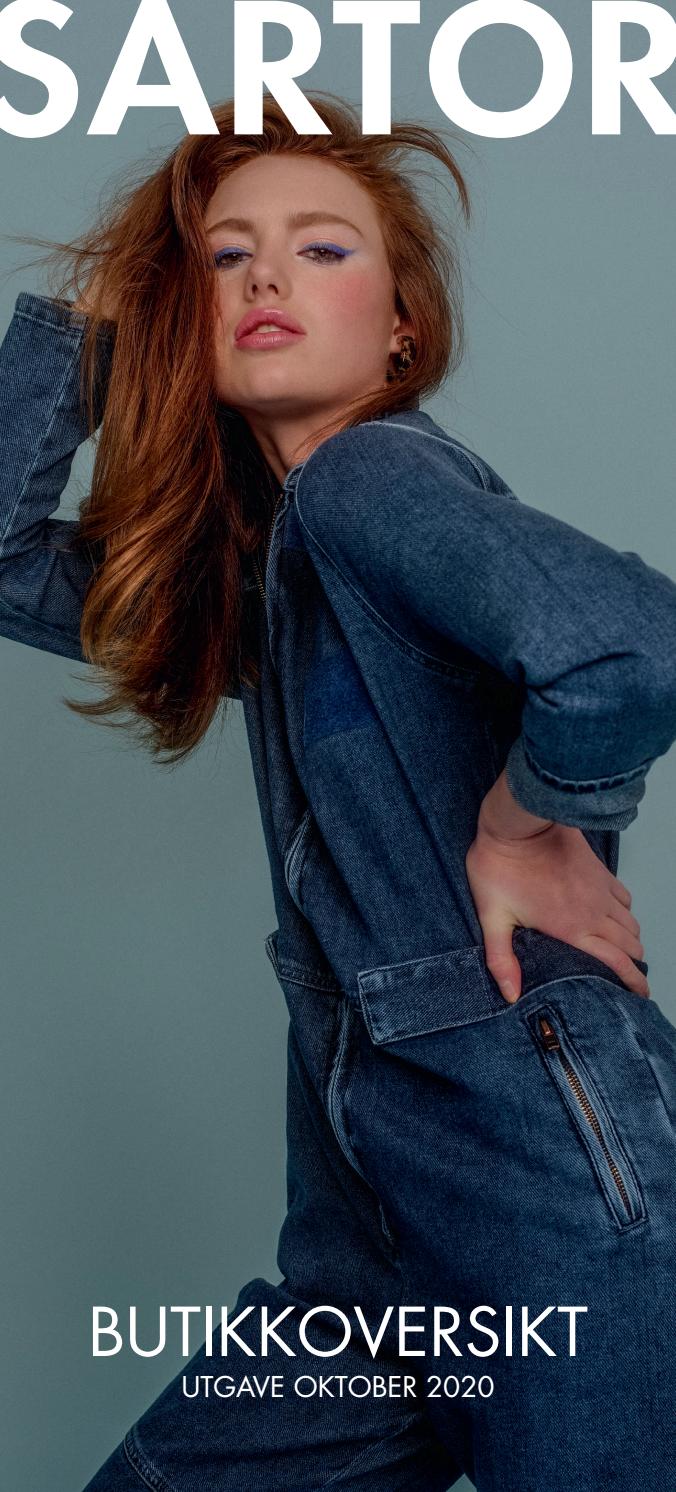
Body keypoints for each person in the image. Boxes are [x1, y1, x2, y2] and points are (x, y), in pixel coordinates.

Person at [1, 94, 675, 1492]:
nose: (265, 278)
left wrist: (528, 822)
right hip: (368, 1217)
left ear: (403, 328)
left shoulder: (367, 479)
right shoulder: (276, 574)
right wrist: (97, 322)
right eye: (223, 257)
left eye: (322, 249)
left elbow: (629, 645)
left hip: (530, 1172)